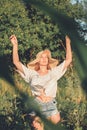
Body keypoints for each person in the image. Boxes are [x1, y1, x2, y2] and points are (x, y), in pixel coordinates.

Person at [10, 34, 72, 125]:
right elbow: (16, 62)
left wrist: (68, 42)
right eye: (41, 57)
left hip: (51, 105)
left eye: (46, 57)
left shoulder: (54, 72)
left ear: (48, 60)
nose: (44, 59)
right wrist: (15, 45)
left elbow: (68, 60)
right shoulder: (31, 74)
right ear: (38, 60)